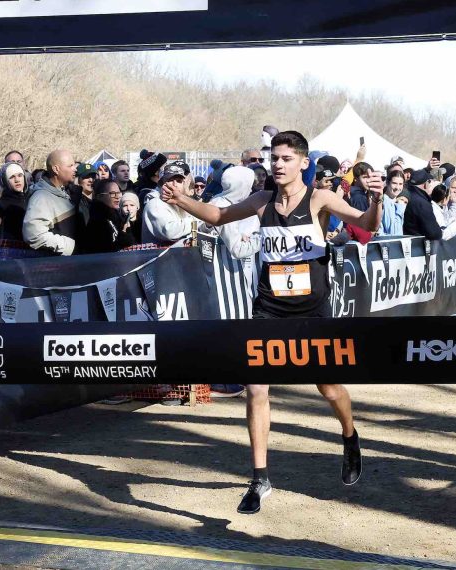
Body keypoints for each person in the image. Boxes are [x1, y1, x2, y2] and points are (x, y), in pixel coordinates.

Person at [163, 130, 382, 514]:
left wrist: (378, 200)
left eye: (284, 159)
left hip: (312, 311)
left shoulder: (320, 199)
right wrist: (183, 199)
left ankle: (349, 436)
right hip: (268, 309)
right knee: (256, 387)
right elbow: (217, 216)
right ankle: (260, 477)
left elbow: (367, 224)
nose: (277, 165)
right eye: (273, 158)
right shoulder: (262, 201)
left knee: (329, 388)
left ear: (303, 162)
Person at [24, 149, 80, 256]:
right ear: (56, 169)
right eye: (70, 166)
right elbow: (34, 235)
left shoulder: (64, 192)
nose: (75, 169)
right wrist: (69, 246)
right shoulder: (41, 197)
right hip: (56, 266)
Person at [142, 162, 198, 246]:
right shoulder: (155, 203)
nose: (175, 184)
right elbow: (169, 232)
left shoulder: (180, 202)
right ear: (162, 184)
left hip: (179, 256)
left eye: (179, 181)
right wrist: (197, 221)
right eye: (170, 180)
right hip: (157, 257)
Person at [402, 168, 442, 240]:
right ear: (426, 184)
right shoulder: (422, 203)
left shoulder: (404, 194)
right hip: (416, 245)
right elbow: (434, 233)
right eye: (430, 182)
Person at [0, 162, 29, 242]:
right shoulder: (4, 205)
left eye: (20, 175)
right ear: (5, 181)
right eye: (12, 177)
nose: (17, 180)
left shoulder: (31, 198)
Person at [380, 170, 406, 236]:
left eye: (400, 184)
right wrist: (400, 207)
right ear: (388, 183)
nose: (397, 187)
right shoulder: (385, 202)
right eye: (394, 183)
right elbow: (393, 232)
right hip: (388, 243)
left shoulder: (393, 201)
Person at [73, 163, 97, 227]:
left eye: (93, 176)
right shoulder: (75, 203)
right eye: (86, 177)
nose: (91, 180)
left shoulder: (101, 199)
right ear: (78, 179)